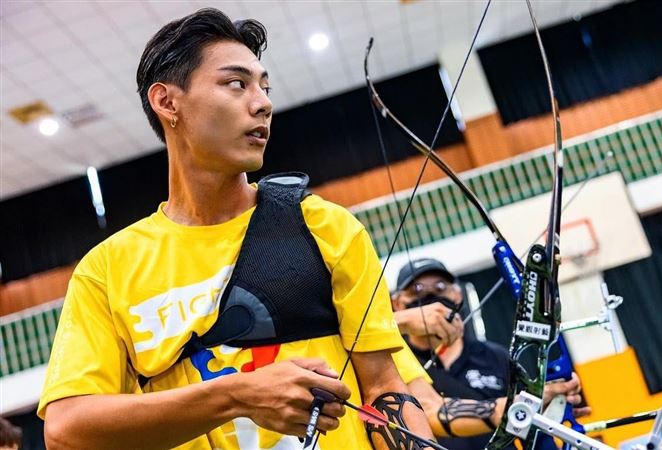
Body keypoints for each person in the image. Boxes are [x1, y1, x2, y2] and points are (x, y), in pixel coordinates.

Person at [38, 8, 435, 450]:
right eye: (236, 84)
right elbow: (65, 429)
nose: (263, 102)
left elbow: (384, 388)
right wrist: (235, 395)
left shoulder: (324, 224)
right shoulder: (107, 269)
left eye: (264, 86)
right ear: (168, 102)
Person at [392, 258, 591, 450]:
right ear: (397, 303)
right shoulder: (393, 362)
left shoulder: (495, 357)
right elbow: (430, 410)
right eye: (416, 290)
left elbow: (533, 430)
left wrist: (548, 406)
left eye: (441, 288)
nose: (430, 299)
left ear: (458, 295)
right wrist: (399, 321)